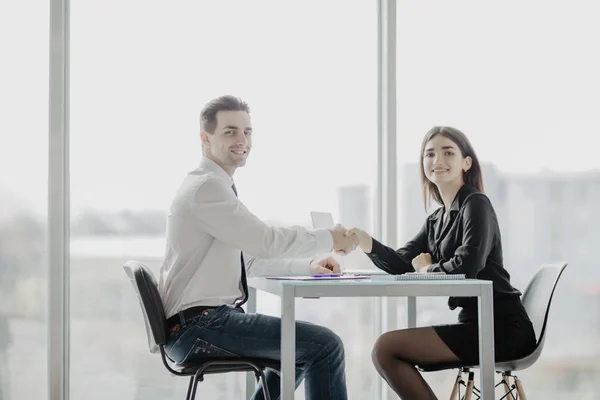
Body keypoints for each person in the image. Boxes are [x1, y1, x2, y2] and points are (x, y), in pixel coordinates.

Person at [158, 95, 357, 400]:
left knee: (300, 351)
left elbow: (249, 261)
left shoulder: (215, 186)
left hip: (197, 325)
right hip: (199, 328)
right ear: (205, 138)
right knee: (323, 346)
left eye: (247, 131)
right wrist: (330, 236)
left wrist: (309, 266)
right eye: (230, 132)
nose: (242, 140)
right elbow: (265, 241)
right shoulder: (207, 188)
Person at [346, 126, 536, 399]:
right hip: (475, 326)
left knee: (386, 348)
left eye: (448, 152)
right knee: (386, 349)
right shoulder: (436, 220)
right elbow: (402, 263)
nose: (438, 161)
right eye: (430, 154)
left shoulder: (476, 203)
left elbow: (467, 265)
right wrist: (366, 243)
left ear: (466, 162)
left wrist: (425, 269)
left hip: (502, 329)